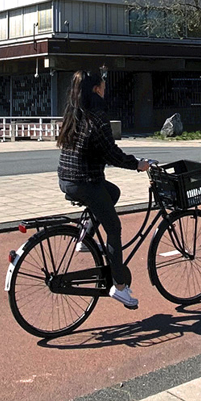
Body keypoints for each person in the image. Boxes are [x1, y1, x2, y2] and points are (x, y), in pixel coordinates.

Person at [56, 68, 150, 309]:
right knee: (114, 228)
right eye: (103, 84)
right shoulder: (97, 117)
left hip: (67, 179)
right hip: (85, 182)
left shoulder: (74, 113)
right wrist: (137, 165)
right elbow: (111, 153)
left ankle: (85, 233)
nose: (105, 87)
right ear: (97, 89)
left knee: (113, 192)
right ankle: (119, 287)